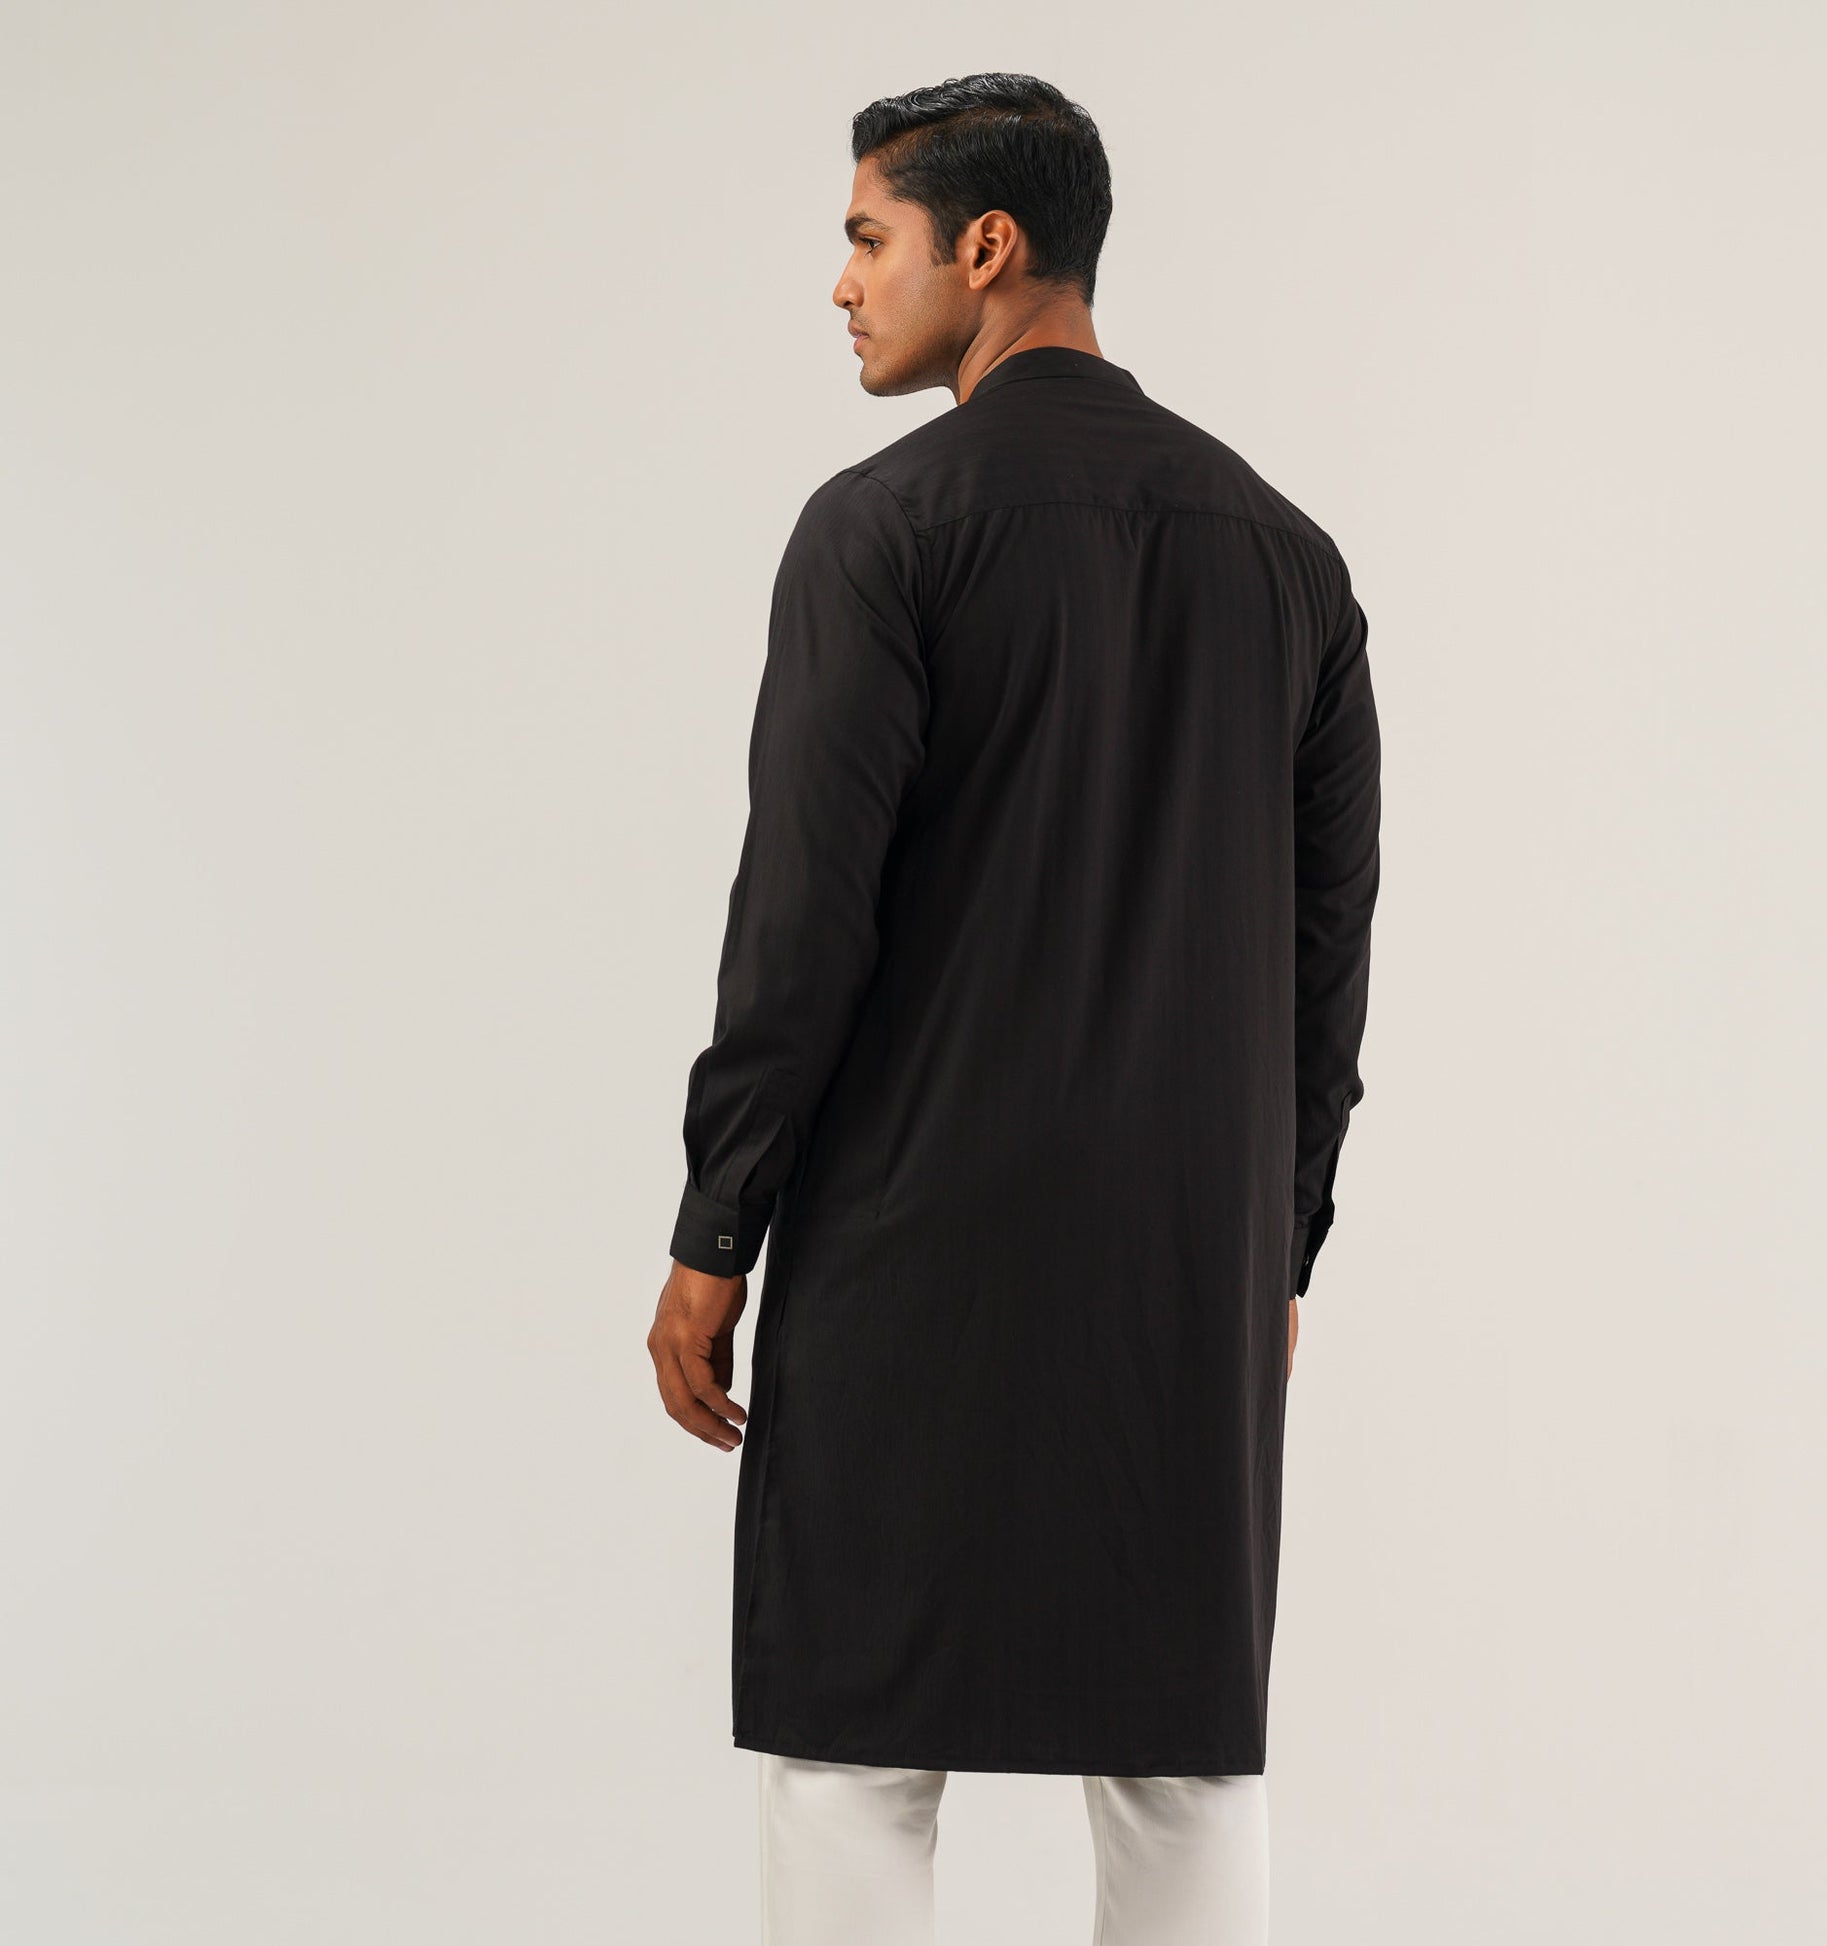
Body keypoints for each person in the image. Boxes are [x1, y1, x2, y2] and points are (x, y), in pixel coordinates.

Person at [647, 71, 1381, 1945]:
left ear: (985, 246)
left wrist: (716, 1228)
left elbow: (798, 924)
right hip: (1182, 1249)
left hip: (911, 1230)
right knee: (1180, 1754)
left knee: (851, 1741)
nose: (840, 284)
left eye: (864, 238)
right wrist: (1277, 1242)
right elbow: (1327, 959)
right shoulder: (1288, 556)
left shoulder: (883, 526)